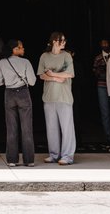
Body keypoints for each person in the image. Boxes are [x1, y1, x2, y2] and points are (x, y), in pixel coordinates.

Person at [0, 38, 37, 167]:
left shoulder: (2, 62)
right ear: (15, 49)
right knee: (27, 128)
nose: (23, 49)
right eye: (21, 47)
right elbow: (32, 82)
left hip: (9, 94)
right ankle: (29, 160)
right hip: (23, 94)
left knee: (11, 129)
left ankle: (12, 160)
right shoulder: (25, 62)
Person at [37, 32, 76, 164]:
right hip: (49, 97)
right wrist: (56, 77)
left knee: (67, 128)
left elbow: (70, 74)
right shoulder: (44, 56)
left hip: (64, 97)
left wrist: (52, 73)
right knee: (51, 128)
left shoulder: (66, 56)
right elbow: (41, 75)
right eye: (62, 40)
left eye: (65, 41)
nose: (64, 43)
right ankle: (54, 154)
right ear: (54, 41)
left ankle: (67, 156)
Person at [91, 39, 110, 146]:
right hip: (102, 86)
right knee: (105, 112)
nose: (104, 45)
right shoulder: (98, 58)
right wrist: (99, 72)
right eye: (102, 43)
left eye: (106, 42)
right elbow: (94, 72)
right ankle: (108, 136)